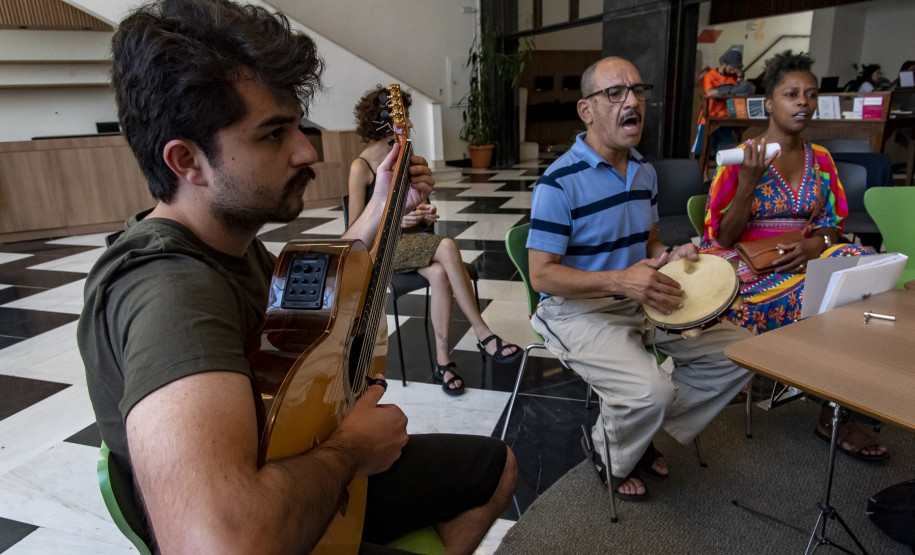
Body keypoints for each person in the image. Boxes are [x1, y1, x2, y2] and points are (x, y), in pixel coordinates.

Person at [76, 1, 517, 553]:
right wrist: (350, 452)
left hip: (295, 474)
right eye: (273, 135)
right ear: (186, 161)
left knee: (495, 467)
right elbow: (215, 545)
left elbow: (309, 292)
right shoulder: (171, 294)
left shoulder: (225, 243)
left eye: (299, 127)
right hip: (277, 521)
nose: (307, 151)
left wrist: (380, 205)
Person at [527, 55, 753, 501]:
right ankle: (606, 449)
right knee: (652, 392)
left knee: (738, 354)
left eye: (637, 91)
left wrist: (670, 255)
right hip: (577, 311)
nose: (631, 101)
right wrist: (621, 282)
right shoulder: (557, 184)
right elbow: (542, 276)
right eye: (615, 93)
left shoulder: (643, 172)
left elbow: (647, 243)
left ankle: (636, 428)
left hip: (638, 297)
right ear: (586, 110)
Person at [699, 50, 888, 462]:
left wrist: (814, 245)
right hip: (751, 264)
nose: (803, 101)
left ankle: (833, 406)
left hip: (806, 256)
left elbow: (833, 222)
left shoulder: (820, 159)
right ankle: (826, 397)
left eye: (811, 93)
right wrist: (747, 182)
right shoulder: (740, 158)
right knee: (829, 304)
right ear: (769, 103)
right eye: (791, 94)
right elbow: (724, 236)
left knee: (864, 280)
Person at [348, 86, 521, 396]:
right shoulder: (360, 168)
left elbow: (421, 215)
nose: (409, 124)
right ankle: (483, 332)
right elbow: (356, 235)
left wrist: (424, 209)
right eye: (404, 117)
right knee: (447, 246)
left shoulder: (407, 157)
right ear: (383, 121)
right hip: (384, 250)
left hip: (413, 244)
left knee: (441, 273)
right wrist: (399, 220)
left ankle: (443, 361)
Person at [698, 49, 748, 159]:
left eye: (736, 69)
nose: (733, 71)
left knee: (726, 150)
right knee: (704, 149)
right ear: (724, 64)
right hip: (709, 116)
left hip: (726, 118)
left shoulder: (734, 76)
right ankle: (705, 175)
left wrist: (740, 75)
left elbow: (741, 91)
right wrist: (730, 90)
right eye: (732, 68)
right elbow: (709, 92)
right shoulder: (710, 75)